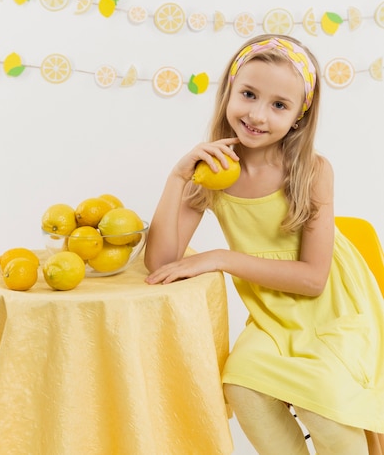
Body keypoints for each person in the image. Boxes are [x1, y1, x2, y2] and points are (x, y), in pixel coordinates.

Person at [144, 35, 384, 455]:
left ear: (298, 117)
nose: (256, 115)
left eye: (278, 105)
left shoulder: (311, 171)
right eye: (249, 94)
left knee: (327, 405)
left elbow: (312, 280)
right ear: (228, 92)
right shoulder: (212, 171)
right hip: (272, 317)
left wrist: (222, 258)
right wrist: (177, 178)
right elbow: (161, 261)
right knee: (242, 385)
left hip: (334, 313)